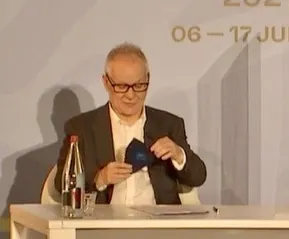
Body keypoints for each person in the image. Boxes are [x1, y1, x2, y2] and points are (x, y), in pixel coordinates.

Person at [54, 42, 207, 205]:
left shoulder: (168, 124)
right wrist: (100, 178)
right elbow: (61, 182)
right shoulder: (81, 128)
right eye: (121, 86)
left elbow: (198, 177)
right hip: (105, 218)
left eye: (139, 86)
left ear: (148, 80)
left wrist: (178, 154)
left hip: (157, 217)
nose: (131, 95)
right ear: (106, 83)